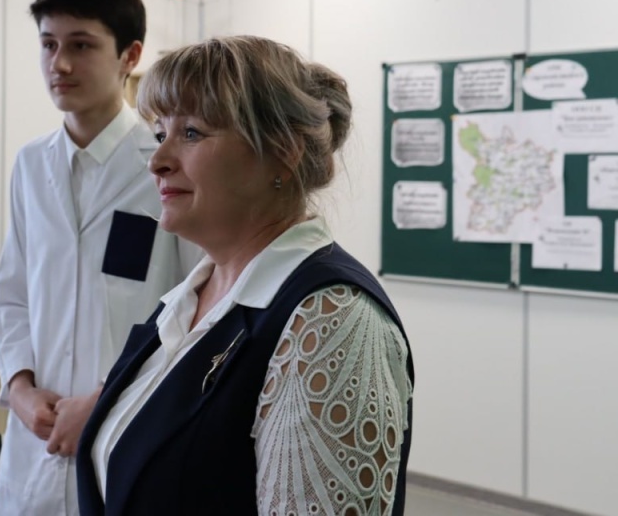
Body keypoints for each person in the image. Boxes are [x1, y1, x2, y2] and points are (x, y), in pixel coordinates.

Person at [75, 36, 415, 516]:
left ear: (283, 152)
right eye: (160, 132)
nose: (157, 161)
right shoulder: (189, 299)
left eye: (191, 133)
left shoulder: (331, 322)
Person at [0, 0, 200, 516]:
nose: (59, 64)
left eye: (81, 45)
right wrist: (19, 388)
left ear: (130, 55)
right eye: (48, 45)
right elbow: (12, 296)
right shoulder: (31, 165)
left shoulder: (166, 164)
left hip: (129, 428)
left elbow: (196, 303)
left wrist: (108, 398)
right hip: (35, 440)